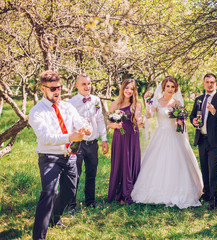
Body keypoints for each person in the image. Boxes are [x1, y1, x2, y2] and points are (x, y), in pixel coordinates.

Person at [29, 70, 91, 240]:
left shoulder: (67, 106)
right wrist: (70, 136)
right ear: (43, 89)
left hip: (70, 156)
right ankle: (38, 237)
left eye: (59, 87)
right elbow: (45, 138)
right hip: (49, 157)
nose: (57, 91)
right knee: (49, 193)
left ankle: (54, 217)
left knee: (70, 191)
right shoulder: (37, 112)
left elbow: (80, 122)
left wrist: (86, 128)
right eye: (53, 88)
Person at [131, 76, 203, 209]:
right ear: (163, 87)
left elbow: (181, 122)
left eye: (172, 87)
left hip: (175, 135)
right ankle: (155, 191)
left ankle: (179, 191)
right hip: (161, 135)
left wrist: (181, 121)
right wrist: (148, 104)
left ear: (176, 88)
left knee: (177, 162)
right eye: (168, 86)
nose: (170, 89)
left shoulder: (177, 103)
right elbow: (148, 116)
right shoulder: (157, 102)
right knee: (157, 162)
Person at [67, 73, 108, 211]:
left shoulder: (96, 100)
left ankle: (90, 201)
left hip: (92, 144)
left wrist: (104, 139)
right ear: (77, 85)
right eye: (83, 84)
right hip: (78, 144)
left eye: (89, 83)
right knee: (75, 174)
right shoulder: (71, 103)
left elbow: (100, 119)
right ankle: (71, 204)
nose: (87, 86)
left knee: (91, 173)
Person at [190, 73, 217, 210]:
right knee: (205, 168)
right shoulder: (199, 99)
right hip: (202, 138)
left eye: (212, 82)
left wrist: (214, 111)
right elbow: (192, 116)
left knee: (213, 168)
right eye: (207, 82)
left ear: (216, 84)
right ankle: (206, 193)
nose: (209, 84)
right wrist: (193, 121)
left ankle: (214, 198)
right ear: (203, 84)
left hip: (215, 140)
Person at [107, 79, 143, 204]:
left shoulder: (136, 104)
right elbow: (110, 123)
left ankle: (129, 193)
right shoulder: (114, 104)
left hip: (132, 136)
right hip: (119, 137)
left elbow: (138, 116)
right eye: (127, 88)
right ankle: (118, 192)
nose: (129, 91)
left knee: (130, 162)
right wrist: (116, 126)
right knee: (119, 162)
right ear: (122, 88)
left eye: (132, 89)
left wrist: (140, 121)